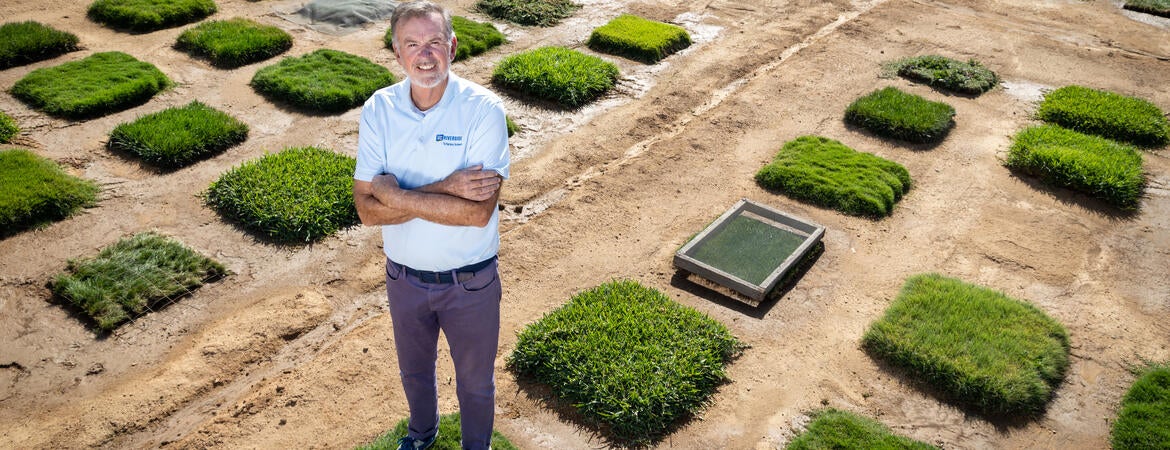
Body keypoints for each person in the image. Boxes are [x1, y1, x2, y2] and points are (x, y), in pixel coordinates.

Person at [352, 2, 509, 449]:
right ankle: (422, 435)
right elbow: (366, 211)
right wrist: (448, 187)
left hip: (471, 283)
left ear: (453, 47)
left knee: (475, 383)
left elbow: (476, 213)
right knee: (414, 372)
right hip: (403, 278)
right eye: (413, 44)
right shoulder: (379, 110)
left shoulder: (483, 110)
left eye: (435, 43)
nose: (425, 55)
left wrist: (397, 195)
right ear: (397, 52)